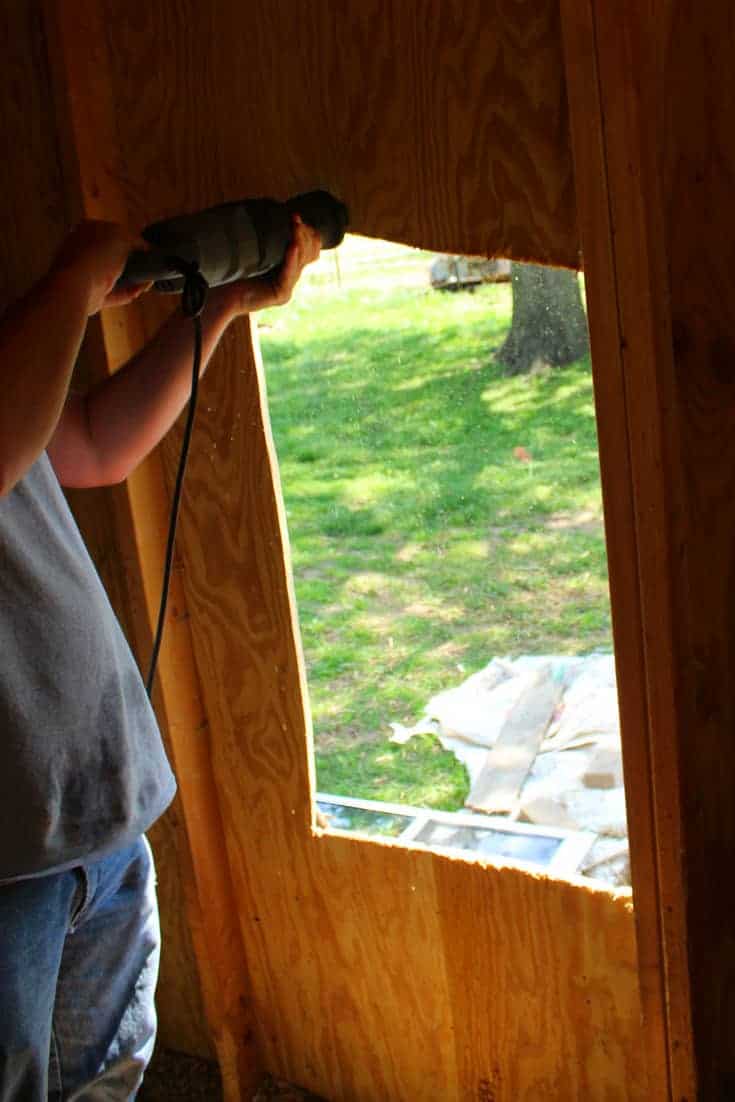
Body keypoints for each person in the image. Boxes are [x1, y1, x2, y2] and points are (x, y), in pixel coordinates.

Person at [0, 215, 321, 1100]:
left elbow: (95, 441)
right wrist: (69, 287)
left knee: (102, 1082)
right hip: (8, 865)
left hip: (92, 821)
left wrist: (213, 310)